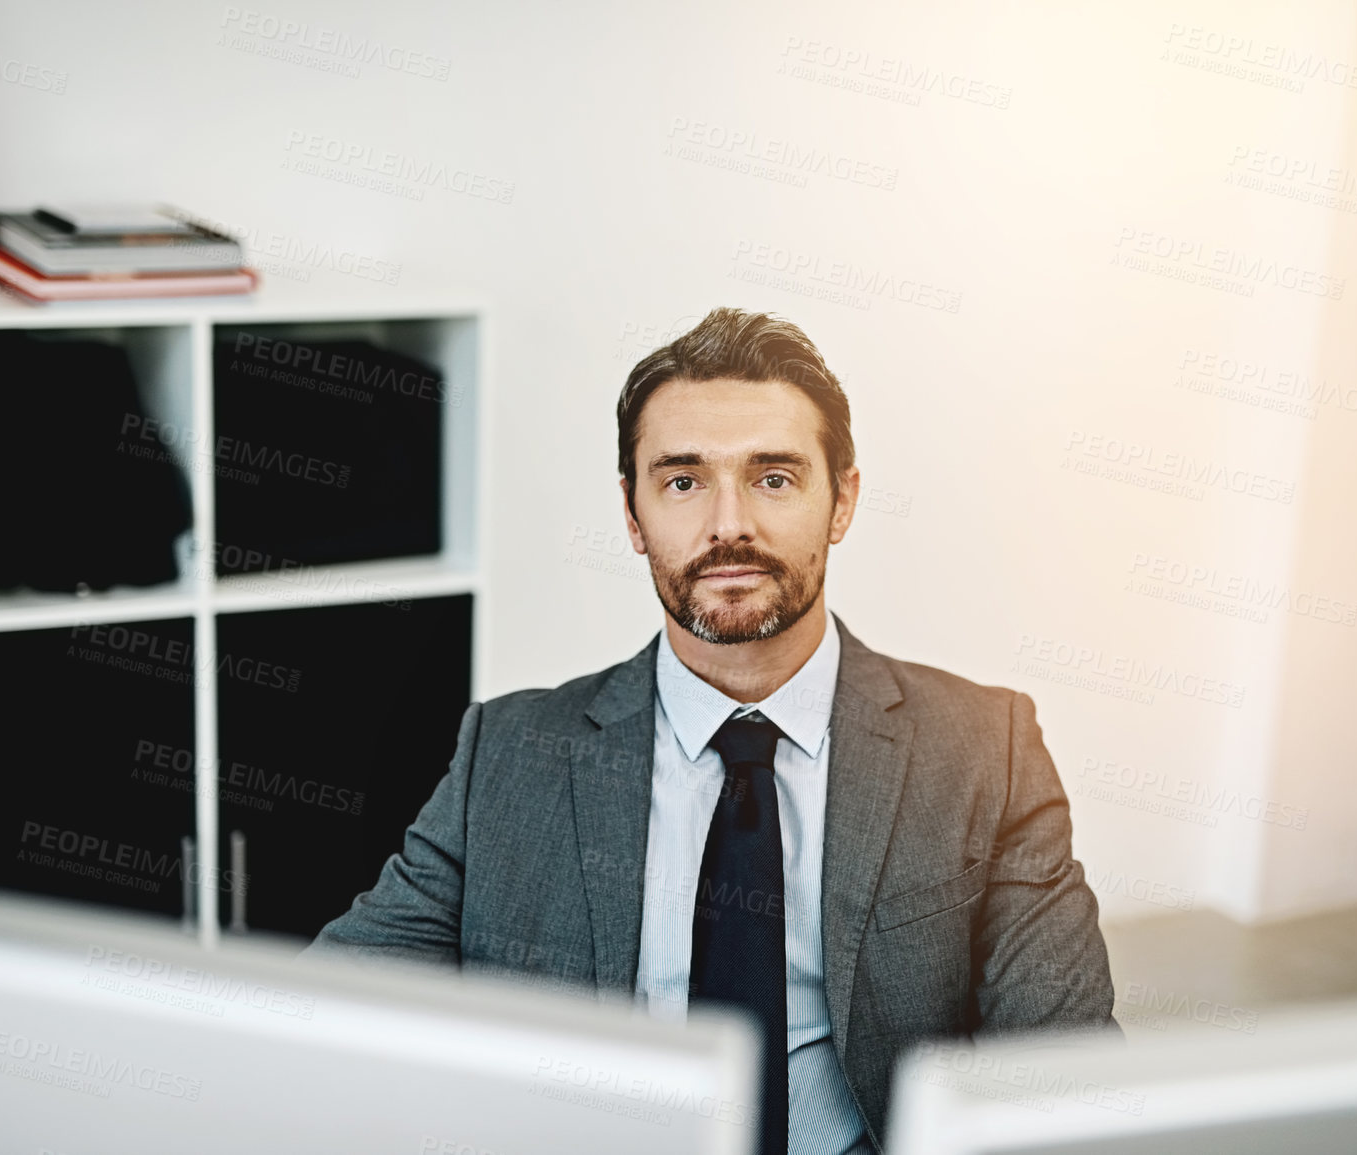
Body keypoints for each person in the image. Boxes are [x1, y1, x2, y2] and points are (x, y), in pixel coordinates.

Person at [308, 307, 1117, 1153]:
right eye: (684, 481)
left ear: (840, 499)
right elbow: (324, 1022)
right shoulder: (505, 756)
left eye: (772, 477)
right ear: (632, 513)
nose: (728, 524)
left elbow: (1062, 1079)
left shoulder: (990, 749)